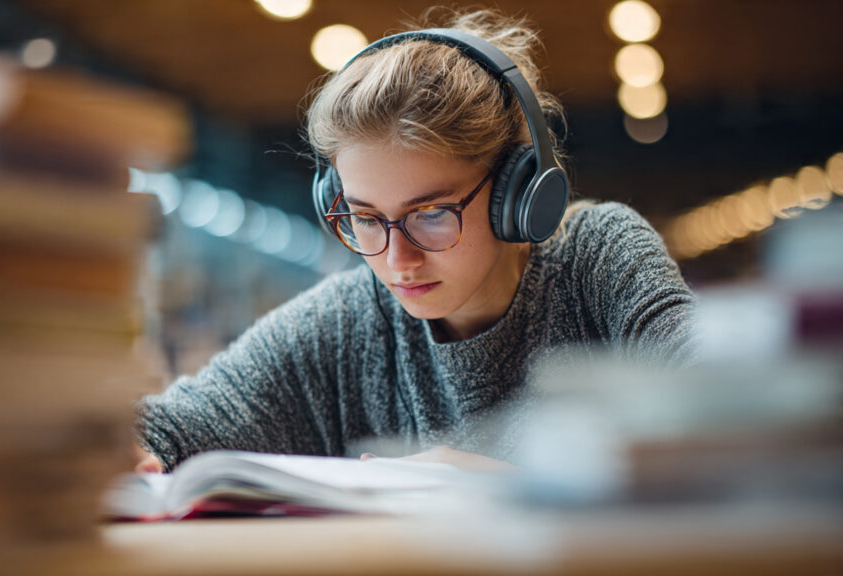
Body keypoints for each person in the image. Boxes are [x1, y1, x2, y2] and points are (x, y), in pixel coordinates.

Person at [134, 9, 696, 473]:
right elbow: (167, 430)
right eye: (366, 219)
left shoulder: (597, 258)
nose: (396, 261)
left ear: (517, 193)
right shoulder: (349, 321)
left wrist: (518, 481)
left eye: (430, 214)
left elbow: (723, 406)